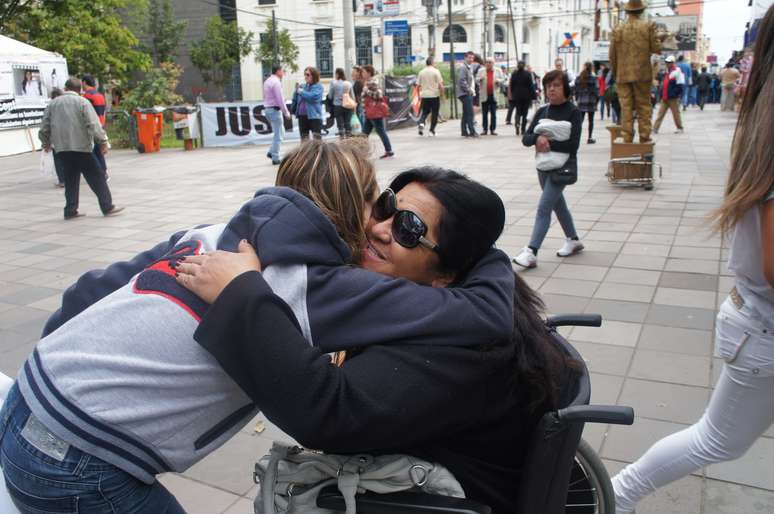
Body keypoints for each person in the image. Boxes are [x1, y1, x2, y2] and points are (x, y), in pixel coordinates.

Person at [0, 141, 516, 513]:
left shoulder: (208, 234)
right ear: (351, 209)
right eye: (380, 205)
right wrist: (488, 252)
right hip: (74, 460)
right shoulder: (321, 287)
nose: (381, 226)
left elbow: (86, 292)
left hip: (24, 405)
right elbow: (486, 315)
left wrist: (57, 378)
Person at [170, 169, 578, 514]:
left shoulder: (462, 348)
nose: (378, 229)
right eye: (386, 207)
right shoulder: (458, 305)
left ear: (447, 274)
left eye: (409, 229)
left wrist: (240, 295)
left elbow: (328, 412)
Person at [613, 8, 774, 512]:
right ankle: (614, 496)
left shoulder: (761, 126)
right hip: (762, 324)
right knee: (717, 440)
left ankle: (615, 494)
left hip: (757, 321)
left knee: (717, 438)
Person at [513, 70, 583, 269]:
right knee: (558, 205)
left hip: (561, 170)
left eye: (556, 85)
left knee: (544, 208)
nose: (551, 89)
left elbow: (573, 146)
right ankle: (573, 239)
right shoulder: (542, 111)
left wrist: (549, 143)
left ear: (566, 89)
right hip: (542, 167)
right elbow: (526, 139)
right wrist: (537, 138)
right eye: (548, 86)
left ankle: (531, 252)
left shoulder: (573, 112)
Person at [38, 77, 123, 220]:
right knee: (96, 176)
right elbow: (93, 124)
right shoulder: (82, 102)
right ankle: (107, 206)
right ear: (80, 90)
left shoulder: (53, 104)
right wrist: (103, 142)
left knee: (70, 179)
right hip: (81, 147)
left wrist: (45, 142)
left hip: (62, 149)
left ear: (65, 88)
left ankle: (70, 210)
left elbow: (44, 127)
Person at [609, 0, 661, 143]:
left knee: (625, 106)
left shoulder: (618, 28)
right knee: (643, 105)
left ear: (627, 11)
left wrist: (615, 71)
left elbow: (612, 54)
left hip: (622, 74)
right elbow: (656, 48)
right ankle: (644, 135)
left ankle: (627, 136)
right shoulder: (648, 26)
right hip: (642, 74)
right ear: (641, 11)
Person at [361, 64, 394, 158]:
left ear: (368, 73)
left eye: (363, 72)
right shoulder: (368, 82)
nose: (362, 74)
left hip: (374, 113)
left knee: (380, 132)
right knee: (364, 134)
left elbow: (379, 95)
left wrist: (367, 91)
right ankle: (361, 152)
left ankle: (389, 150)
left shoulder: (372, 82)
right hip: (369, 113)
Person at [81, 75, 109, 180]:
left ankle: (98, 173)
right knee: (99, 150)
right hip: (101, 125)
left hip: (91, 127)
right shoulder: (100, 95)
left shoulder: (86, 97)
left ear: (84, 82)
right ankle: (104, 172)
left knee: (92, 152)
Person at [263, 64, 291, 165]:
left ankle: (271, 151)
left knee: (280, 132)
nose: (283, 73)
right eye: (282, 71)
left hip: (268, 109)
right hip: (275, 110)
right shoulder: (276, 82)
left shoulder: (267, 81)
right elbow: (279, 99)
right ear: (278, 71)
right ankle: (275, 156)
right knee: (278, 134)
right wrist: (286, 112)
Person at [652, 55, 685, 135]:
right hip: (665, 97)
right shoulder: (667, 71)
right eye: (667, 62)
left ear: (673, 63)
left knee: (676, 114)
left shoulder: (677, 71)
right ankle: (655, 128)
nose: (667, 63)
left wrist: (675, 94)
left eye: (669, 62)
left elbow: (680, 86)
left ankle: (680, 128)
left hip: (672, 98)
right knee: (660, 113)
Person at [416, 56, 444, 136]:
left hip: (424, 95)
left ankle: (421, 123)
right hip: (434, 95)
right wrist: (442, 94)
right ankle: (431, 131)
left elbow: (417, 86)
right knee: (434, 113)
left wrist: (418, 96)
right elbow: (441, 85)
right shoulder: (436, 71)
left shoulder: (421, 72)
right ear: (432, 62)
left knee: (425, 111)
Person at [476, 57, 504, 136]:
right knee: (484, 114)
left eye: (490, 62)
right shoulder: (481, 70)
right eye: (487, 62)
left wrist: (499, 81)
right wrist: (480, 79)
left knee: (493, 114)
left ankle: (492, 129)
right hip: (484, 95)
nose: (488, 64)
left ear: (493, 63)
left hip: (494, 95)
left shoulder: (498, 70)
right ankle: (485, 129)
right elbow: (476, 79)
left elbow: (503, 79)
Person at [296, 66, 324, 140]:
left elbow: (312, 97)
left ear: (314, 76)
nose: (305, 77)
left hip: (314, 117)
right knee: (304, 141)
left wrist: (301, 92)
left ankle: (318, 152)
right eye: (305, 74)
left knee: (317, 141)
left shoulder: (318, 86)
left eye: (308, 75)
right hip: (302, 116)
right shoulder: (304, 86)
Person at [509, 61, 536, 136]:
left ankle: (517, 124)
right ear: (524, 66)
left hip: (517, 95)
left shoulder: (514, 74)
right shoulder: (527, 74)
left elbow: (512, 85)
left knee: (518, 111)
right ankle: (523, 129)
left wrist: (513, 94)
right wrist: (534, 96)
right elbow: (531, 85)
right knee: (525, 112)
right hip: (526, 96)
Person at [574, 61, 599, 144]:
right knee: (591, 121)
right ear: (591, 68)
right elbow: (596, 90)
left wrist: (577, 98)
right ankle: (590, 137)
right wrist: (597, 101)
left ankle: (576, 137)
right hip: (591, 101)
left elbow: (576, 90)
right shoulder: (593, 78)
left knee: (580, 120)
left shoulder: (578, 78)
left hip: (581, 101)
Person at [456, 51, 478, 138]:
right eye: (469, 57)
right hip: (465, 93)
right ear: (465, 58)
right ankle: (472, 131)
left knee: (466, 113)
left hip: (468, 93)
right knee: (470, 113)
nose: (471, 59)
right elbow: (462, 80)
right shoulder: (463, 68)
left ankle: (464, 131)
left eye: (472, 58)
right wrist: (469, 90)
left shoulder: (469, 67)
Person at [328, 67, 354, 139]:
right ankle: (349, 140)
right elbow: (353, 96)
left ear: (337, 74)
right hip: (348, 105)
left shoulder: (333, 83)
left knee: (340, 125)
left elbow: (330, 96)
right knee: (348, 123)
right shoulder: (349, 83)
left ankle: (342, 140)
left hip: (338, 106)